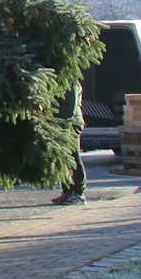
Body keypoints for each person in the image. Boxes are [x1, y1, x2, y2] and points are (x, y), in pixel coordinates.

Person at [53, 77, 87, 205]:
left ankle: (79, 192)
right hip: (60, 123)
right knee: (62, 159)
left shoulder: (70, 80)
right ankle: (67, 191)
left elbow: (70, 106)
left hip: (71, 124)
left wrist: (64, 128)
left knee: (73, 156)